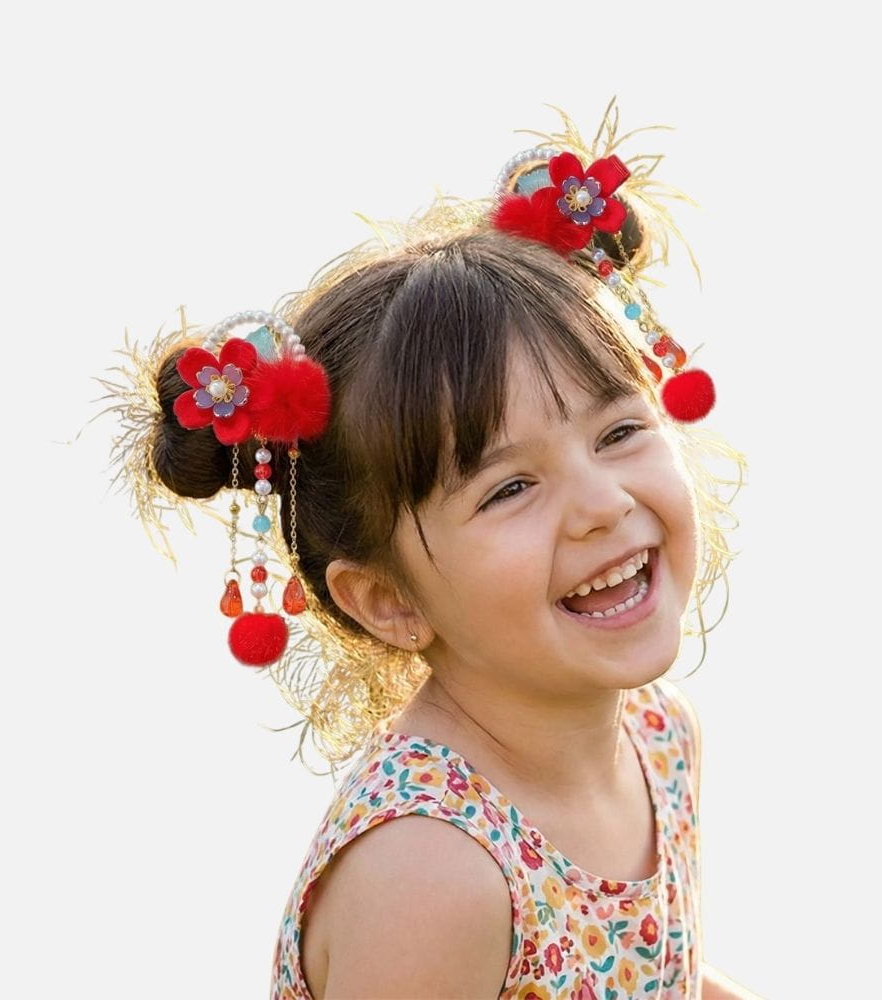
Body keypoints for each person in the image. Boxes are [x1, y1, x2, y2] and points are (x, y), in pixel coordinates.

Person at [103, 102, 756, 999]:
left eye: (618, 432)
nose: (603, 504)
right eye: (509, 488)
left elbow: (655, 971)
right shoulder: (430, 874)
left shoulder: (658, 734)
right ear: (389, 600)